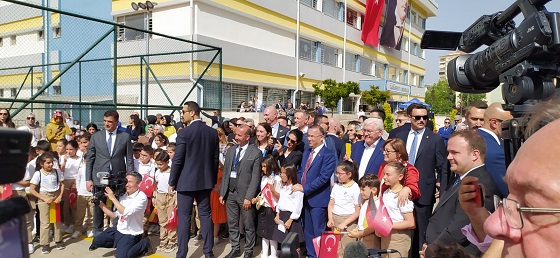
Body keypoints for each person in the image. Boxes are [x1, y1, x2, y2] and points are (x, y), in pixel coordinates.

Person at [426, 130, 498, 256]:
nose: (449, 157)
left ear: (474, 154)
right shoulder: (460, 178)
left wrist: (431, 250)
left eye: (455, 153)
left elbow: (458, 228)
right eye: (448, 152)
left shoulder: (478, 183)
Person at [394, 103, 448, 256]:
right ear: (409, 117)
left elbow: (442, 167)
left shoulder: (435, 139)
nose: (422, 120)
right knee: (400, 227)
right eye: (417, 117)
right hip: (399, 190)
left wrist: (442, 189)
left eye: (425, 117)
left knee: (422, 231)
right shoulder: (399, 136)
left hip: (424, 192)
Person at [169, 101, 219, 258]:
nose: (181, 115)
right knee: (205, 215)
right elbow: (215, 160)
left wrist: (172, 181)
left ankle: (181, 254)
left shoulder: (184, 133)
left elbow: (178, 159)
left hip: (185, 182)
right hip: (205, 181)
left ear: (192, 112)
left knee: (184, 218)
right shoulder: (212, 133)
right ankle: (208, 252)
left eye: (183, 112)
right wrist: (211, 180)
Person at [86, 110, 135, 236]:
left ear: (117, 122)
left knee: (118, 203)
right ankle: (98, 234)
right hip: (100, 176)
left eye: (110, 122)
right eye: (105, 121)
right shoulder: (96, 136)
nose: (106, 124)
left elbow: (129, 158)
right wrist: (88, 179)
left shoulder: (125, 137)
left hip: (118, 176)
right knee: (98, 204)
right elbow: (90, 158)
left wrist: (129, 176)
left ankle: (118, 231)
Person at [292, 125, 337, 258]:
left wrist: (305, 188)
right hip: (305, 199)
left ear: (322, 137)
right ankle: (312, 255)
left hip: (318, 200)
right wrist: (297, 184)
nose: (309, 138)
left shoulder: (328, 155)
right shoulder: (307, 152)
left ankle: (320, 255)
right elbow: (302, 171)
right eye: (308, 136)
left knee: (318, 231)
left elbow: (323, 177)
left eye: (312, 136)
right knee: (308, 231)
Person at [219, 124, 262, 258]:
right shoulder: (231, 151)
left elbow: (255, 177)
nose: (236, 137)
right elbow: (226, 172)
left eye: (239, 135)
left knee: (248, 224)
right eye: (236, 134)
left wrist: (249, 197)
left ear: (247, 137)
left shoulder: (255, 153)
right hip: (230, 193)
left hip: (245, 195)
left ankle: (248, 250)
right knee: (232, 223)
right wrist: (222, 192)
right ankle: (235, 248)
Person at [89, 172, 152, 257]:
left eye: (130, 182)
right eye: (126, 181)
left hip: (132, 233)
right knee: (96, 241)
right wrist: (99, 203)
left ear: (138, 183)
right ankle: (121, 245)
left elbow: (124, 212)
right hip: (119, 230)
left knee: (122, 256)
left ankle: (144, 243)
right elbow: (114, 215)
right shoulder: (123, 195)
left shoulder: (141, 197)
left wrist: (113, 198)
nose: (127, 184)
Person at [29, 153, 65, 254]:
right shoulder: (38, 174)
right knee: (45, 222)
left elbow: (62, 184)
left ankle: (58, 240)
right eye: (48, 163)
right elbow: (32, 189)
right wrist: (44, 198)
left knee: (57, 220)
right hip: (44, 197)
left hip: (56, 196)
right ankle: (45, 244)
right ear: (42, 164)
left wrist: (60, 196)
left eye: (52, 162)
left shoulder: (57, 172)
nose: (50, 165)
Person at [476, 102, 512, 198]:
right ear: (494, 123)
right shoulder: (495, 151)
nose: (512, 127)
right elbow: (507, 189)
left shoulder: (474, 137)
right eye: (509, 123)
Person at [380, 161, 415, 258]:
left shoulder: (402, 196)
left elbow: (410, 222)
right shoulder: (386, 192)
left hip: (398, 238)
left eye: (388, 174)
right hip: (385, 236)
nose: (384, 177)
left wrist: (389, 225)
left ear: (400, 177)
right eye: (384, 174)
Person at [327, 160, 360, 257]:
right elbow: (331, 203)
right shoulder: (337, 186)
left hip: (348, 221)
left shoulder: (355, 188)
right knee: (336, 248)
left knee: (348, 248)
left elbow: (357, 211)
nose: (337, 175)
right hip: (335, 218)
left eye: (340, 173)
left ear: (349, 174)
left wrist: (344, 223)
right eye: (336, 173)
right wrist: (330, 218)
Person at [252, 155, 282, 258]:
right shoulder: (264, 178)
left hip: (272, 209)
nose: (263, 169)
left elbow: (279, 196)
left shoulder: (277, 179)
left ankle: (273, 254)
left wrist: (272, 189)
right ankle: (264, 253)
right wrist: (257, 199)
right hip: (263, 208)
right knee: (264, 233)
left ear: (271, 165)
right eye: (262, 166)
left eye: (265, 166)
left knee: (272, 234)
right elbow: (263, 194)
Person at [272, 164, 305, 251]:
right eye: (281, 173)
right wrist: (277, 214)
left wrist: (290, 220)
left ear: (290, 174)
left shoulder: (296, 189)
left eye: (284, 173)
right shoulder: (284, 187)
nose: (281, 175)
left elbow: (298, 207)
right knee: (283, 245)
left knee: (294, 246)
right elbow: (280, 202)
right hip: (282, 216)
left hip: (291, 219)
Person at [377, 138, 421, 202]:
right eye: (384, 150)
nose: (384, 153)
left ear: (399, 153)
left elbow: (414, 189)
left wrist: (407, 189)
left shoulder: (408, 169)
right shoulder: (383, 165)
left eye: (388, 151)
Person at [348, 174, 381, 249]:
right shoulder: (366, 202)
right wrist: (357, 228)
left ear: (374, 190)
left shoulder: (375, 204)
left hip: (370, 237)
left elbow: (373, 226)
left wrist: (358, 234)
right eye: (360, 189)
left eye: (363, 190)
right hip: (362, 236)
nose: (361, 192)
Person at [154, 151, 178, 253]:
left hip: (171, 196)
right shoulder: (157, 172)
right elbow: (156, 184)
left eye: (161, 164)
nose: (159, 166)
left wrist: (176, 198)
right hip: (160, 196)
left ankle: (172, 240)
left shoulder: (172, 172)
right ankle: (163, 239)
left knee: (170, 220)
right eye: (157, 164)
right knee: (162, 220)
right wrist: (154, 196)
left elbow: (176, 186)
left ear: (167, 162)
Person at [72, 135, 94, 239]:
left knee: (91, 214)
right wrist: (78, 190)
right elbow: (78, 180)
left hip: (91, 194)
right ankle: (78, 229)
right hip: (81, 194)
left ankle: (90, 228)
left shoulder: (95, 169)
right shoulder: (81, 169)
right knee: (79, 214)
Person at [60, 140, 81, 233]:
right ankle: (66, 222)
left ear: (76, 149)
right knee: (65, 204)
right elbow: (61, 171)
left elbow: (79, 172)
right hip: (65, 181)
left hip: (74, 181)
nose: (68, 151)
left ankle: (73, 223)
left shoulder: (80, 159)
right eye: (67, 149)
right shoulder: (62, 158)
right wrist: (64, 161)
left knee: (73, 203)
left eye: (71, 149)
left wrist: (75, 183)